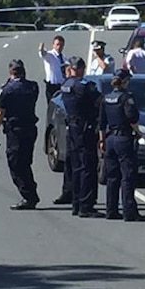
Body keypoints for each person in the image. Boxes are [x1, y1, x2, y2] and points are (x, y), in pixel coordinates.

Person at [0, 60, 41, 210]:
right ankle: (30, 190)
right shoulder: (33, 86)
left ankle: (29, 195)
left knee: (16, 164)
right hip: (30, 129)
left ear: (11, 72)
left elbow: (0, 110)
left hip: (16, 132)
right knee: (25, 162)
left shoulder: (7, 90)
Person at [99, 69, 145, 222]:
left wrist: (101, 141)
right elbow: (132, 118)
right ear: (125, 81)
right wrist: (139, 133)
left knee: (112, 176)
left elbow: (101, 122)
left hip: (110, 138)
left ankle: (111, 210)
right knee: (127, 176)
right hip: (124, 139)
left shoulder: (107, 98)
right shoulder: (126, 98)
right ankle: (129, 211)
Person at [60, 56, 103, 218]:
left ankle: (76, 203)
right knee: (88, 167)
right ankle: (86, 205)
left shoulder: (66, 84)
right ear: (81, 68)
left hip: (72, 127)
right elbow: (100, 101)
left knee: (76, 167)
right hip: (84, 128)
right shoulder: (83, 86)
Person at [38, 35, 67, 102]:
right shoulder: (50, 55)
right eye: (57, 44)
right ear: (53, 45)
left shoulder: (64, 57)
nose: (59, 47)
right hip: (52, 86)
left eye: (61, 45)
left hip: (61, 86)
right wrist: (41, 48)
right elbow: (43, 54)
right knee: (52, 107)